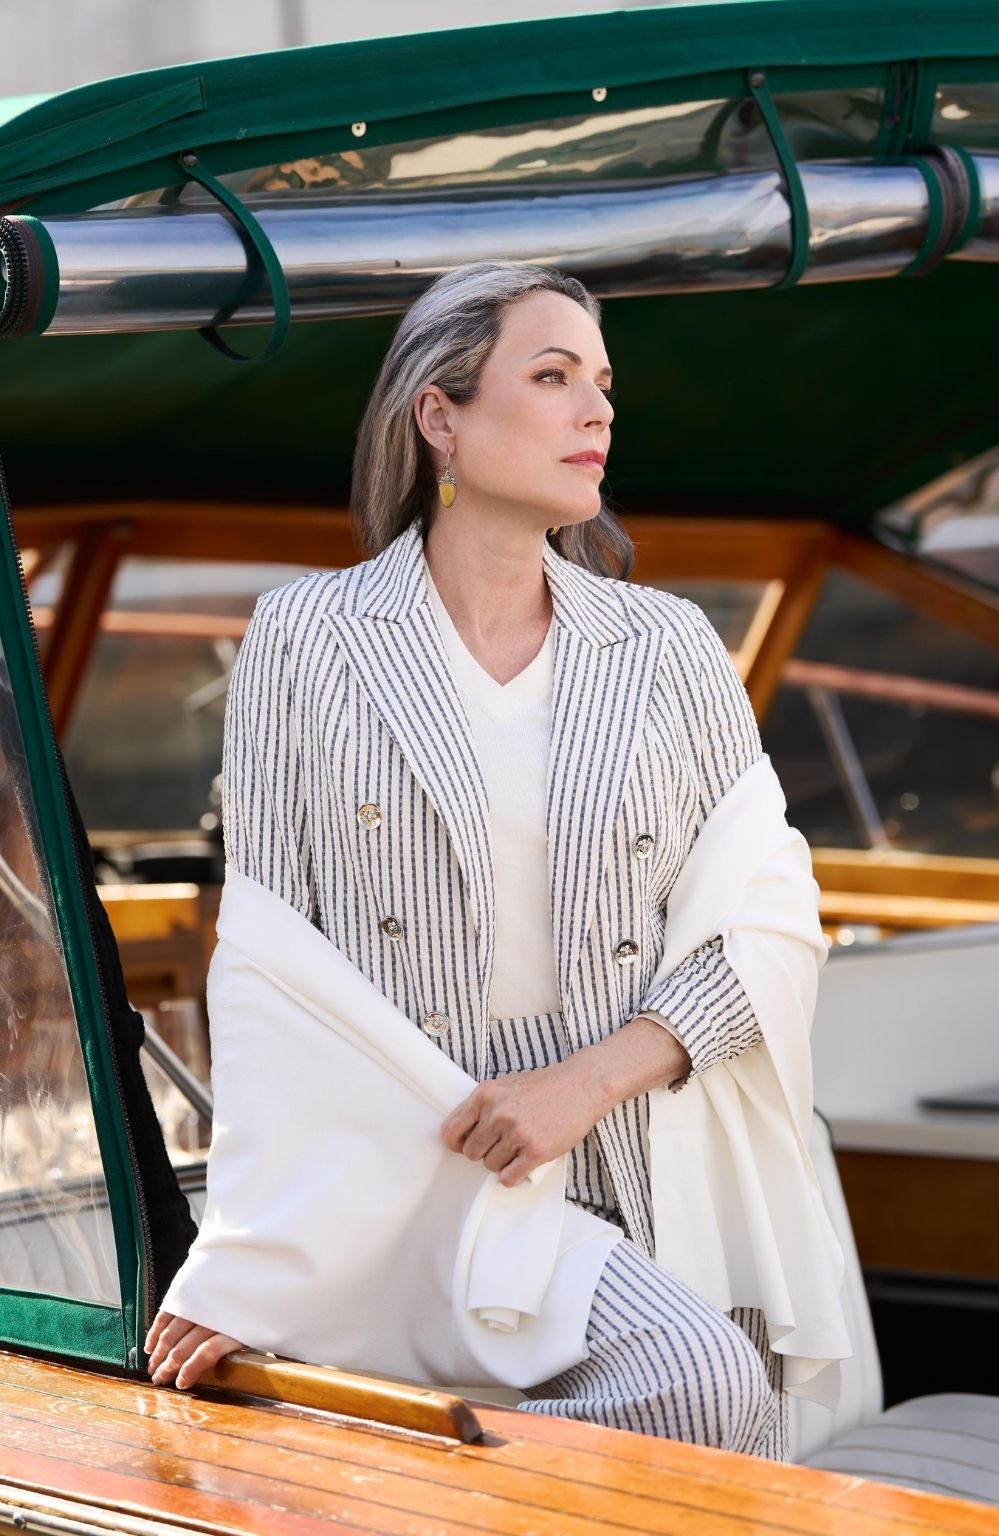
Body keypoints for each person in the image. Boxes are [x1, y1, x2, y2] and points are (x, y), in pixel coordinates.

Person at [146, 259, 792, 1459]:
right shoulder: (306, 637)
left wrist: (582, 1084)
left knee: (709, 1392)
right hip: (404, 1166)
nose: (596, 410)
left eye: (601, 381)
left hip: (622, 1154)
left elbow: (770, 927)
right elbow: (270, 970)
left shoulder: (668, 647)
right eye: (552, 376)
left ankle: (393, 1462)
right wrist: (245, 1253)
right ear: (439, 416)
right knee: (698, 1401)